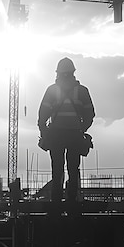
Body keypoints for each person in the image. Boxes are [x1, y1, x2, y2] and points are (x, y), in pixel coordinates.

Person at [38, 57, 95, 203]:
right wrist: (81, 129)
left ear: (58, 73)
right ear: (72, 72)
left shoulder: (52, 90)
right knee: (73, 168)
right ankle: (71, 200)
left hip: (56, 135)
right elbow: (89, 115)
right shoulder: (82, 91)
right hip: (74, 135)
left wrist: (44, 133)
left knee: (57, 169)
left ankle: (56, 201)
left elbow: (42, 115)